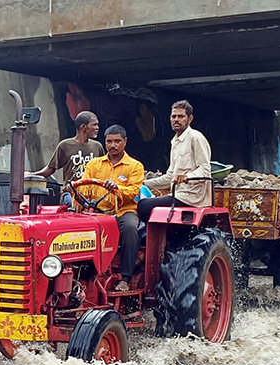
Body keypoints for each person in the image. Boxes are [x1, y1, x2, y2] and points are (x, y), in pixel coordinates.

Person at [76, 125, 145, 291]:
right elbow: (85, 187)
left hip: (123, 210)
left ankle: (125, 278)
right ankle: (83, 274)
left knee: (129, 228)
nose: (113, 145)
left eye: (117, 141)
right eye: (109, 142)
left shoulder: (135, 166)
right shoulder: (94, 165)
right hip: (97, 211)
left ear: (125, 142)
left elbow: (132, 192)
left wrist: (116, 189)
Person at [136, 100, 213, 232]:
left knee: (144, 206)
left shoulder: (196, 137)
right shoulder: (175, 142)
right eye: (174, 116)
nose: (176, 119)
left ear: (190, 118)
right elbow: (170, 177)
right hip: (178, 194)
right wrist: (142, 183)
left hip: (191, 196)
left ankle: (163, 236)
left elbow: (205, 170)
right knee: (138, 201)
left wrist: (187, 177)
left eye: (181, 116)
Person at [32, 110, 105, 204]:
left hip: (92, 194)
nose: (97, 128)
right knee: (71, 204)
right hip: (71, 193)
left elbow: (104, 170)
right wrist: (32, 175)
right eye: (94, 125)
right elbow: (50, 169)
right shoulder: (65, 145)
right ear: (83, 127)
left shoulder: (97, 146)